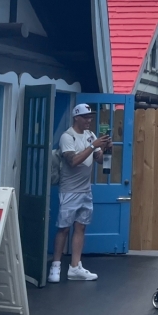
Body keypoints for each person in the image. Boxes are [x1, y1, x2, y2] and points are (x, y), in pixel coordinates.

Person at [49, 103, 111, 283]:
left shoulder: (90, 135)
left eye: (90, 117)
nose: (89, 120)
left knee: (81, 227)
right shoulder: (67, 137)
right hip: (69, 190)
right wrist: (92, 146)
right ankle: (55, 266)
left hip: (85, 189)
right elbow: (73, 161)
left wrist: (107, 148)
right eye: (85, 117)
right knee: (64, 228)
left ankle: (75, 267)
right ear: (77, 117)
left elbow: (100, 161)